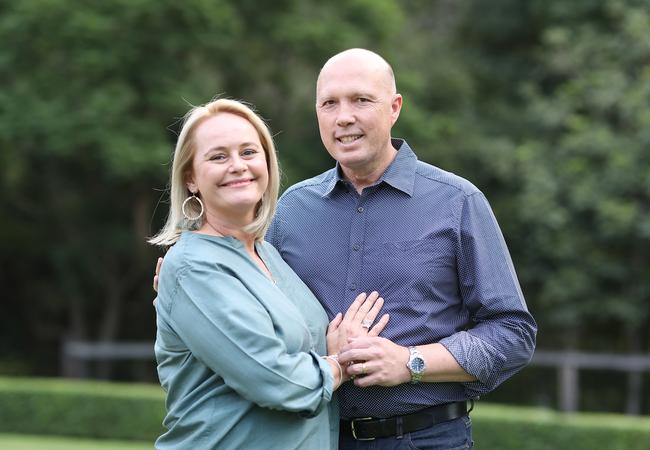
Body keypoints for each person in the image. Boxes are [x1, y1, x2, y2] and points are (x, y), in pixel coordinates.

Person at [265, 48, 537, 449]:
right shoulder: (291, 210)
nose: (344, 117)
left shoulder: (457, 201)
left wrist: (411, 363)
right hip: (316, 438)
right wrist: (192, 268)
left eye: (361, 100)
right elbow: (259, 316)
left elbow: (513, 333)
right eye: (329, 103)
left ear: (394, 108)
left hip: (426, 438)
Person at [148, 98, 390, 449]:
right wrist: (339, 364)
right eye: (218, 156)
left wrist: (327, 349)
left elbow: (291, 349)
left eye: (249, 152)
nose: (237, 166)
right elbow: (279, 382)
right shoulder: (193, 267)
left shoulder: (268, 254)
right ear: (191, 178)